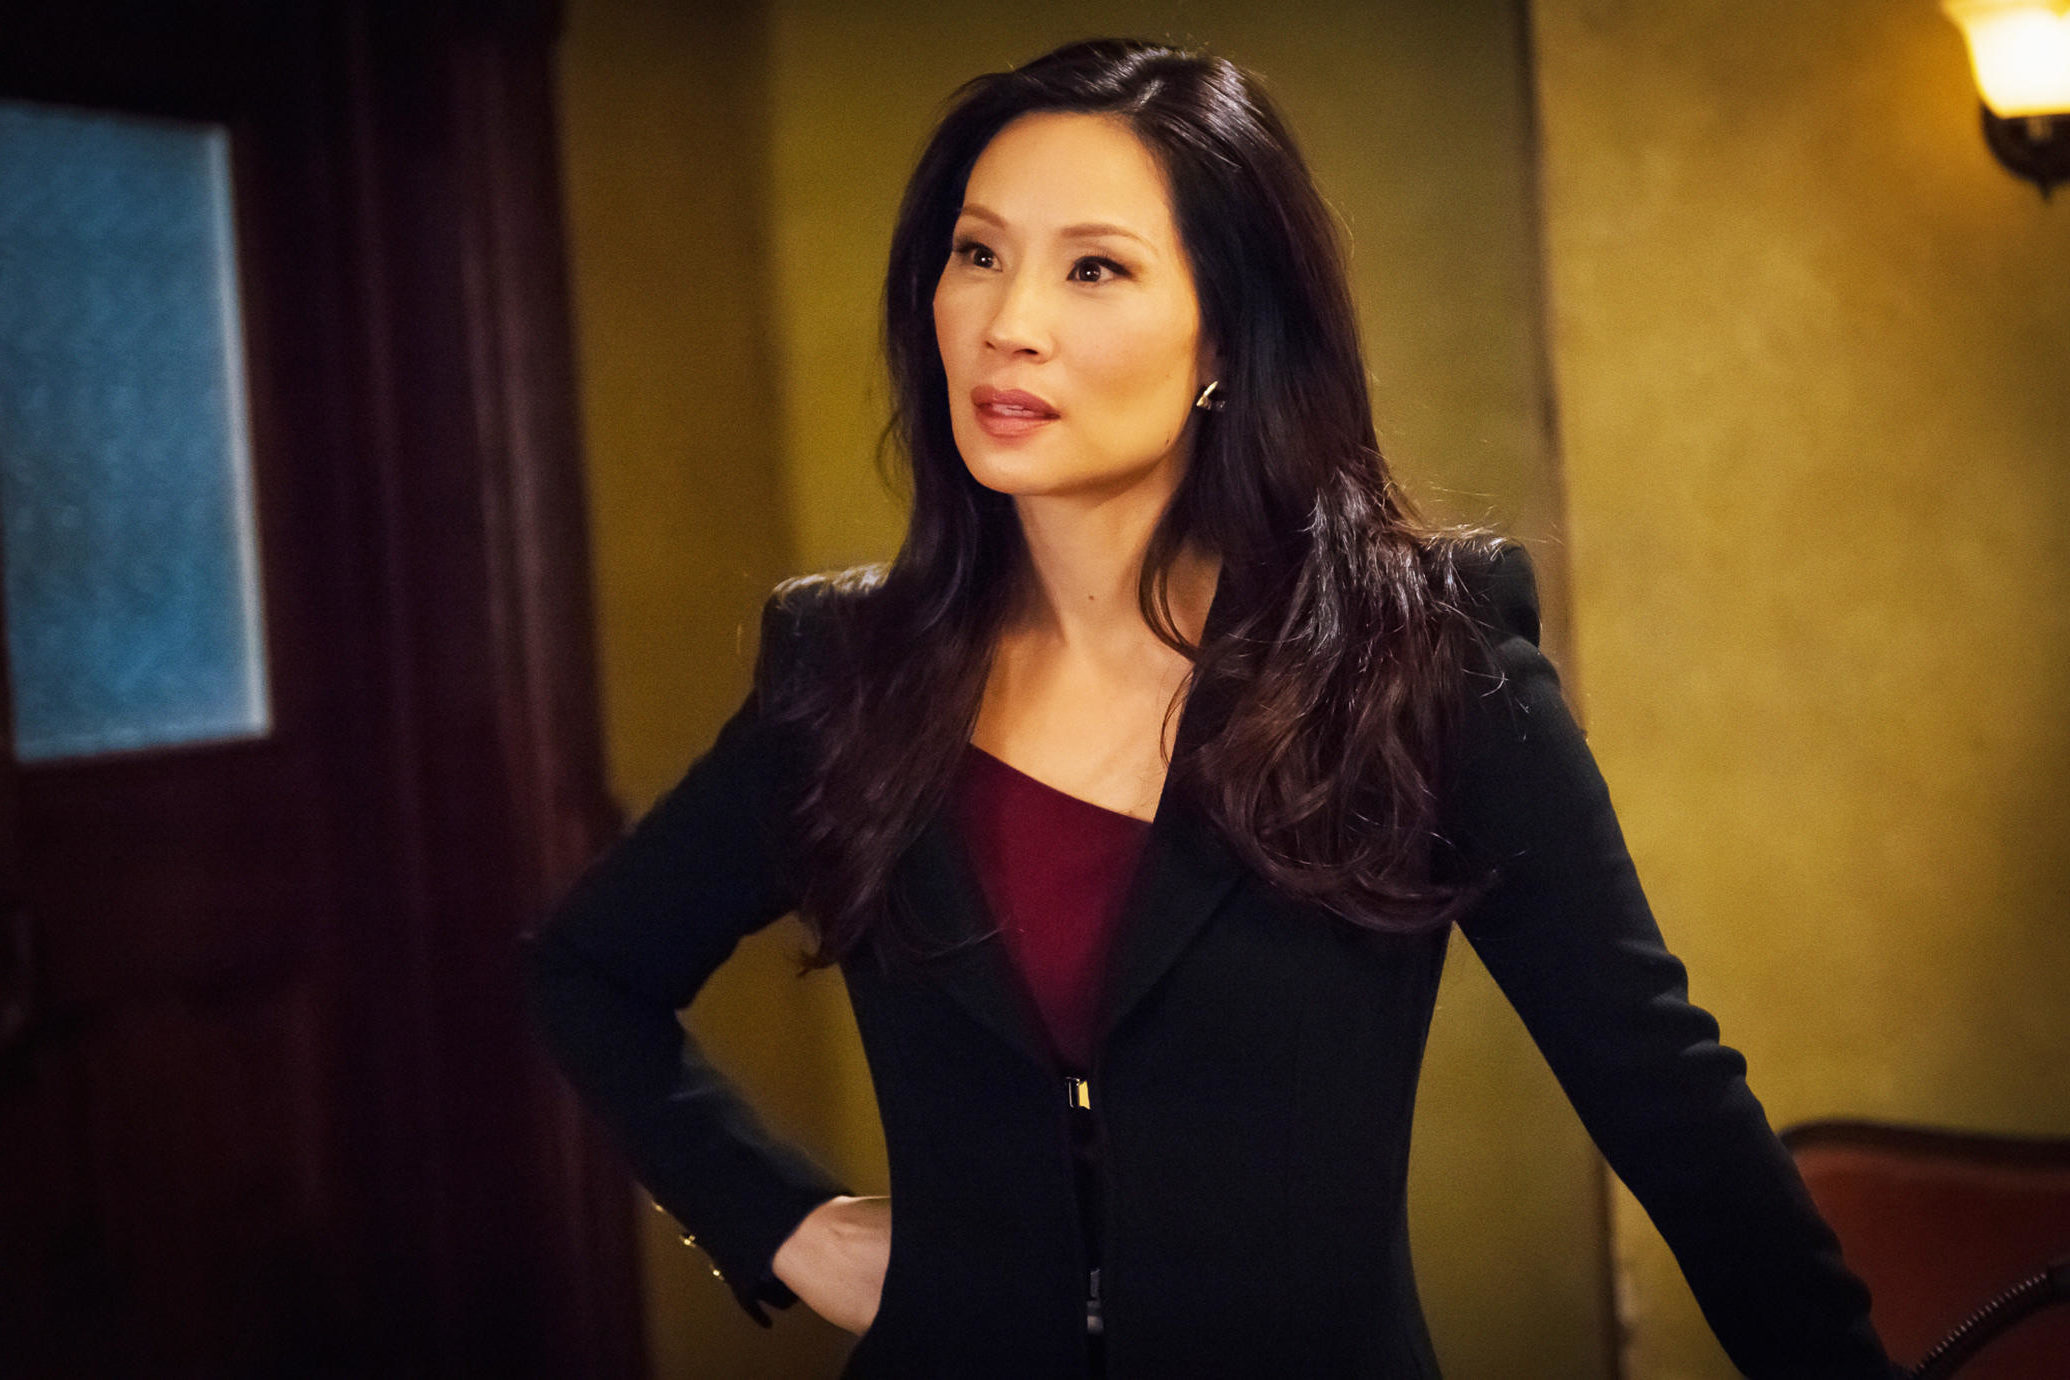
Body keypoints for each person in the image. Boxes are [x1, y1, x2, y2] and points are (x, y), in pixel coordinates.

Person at [523, 38, 1899, 1379]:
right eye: (978, 253)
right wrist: (780, 1225)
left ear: (1226, 337)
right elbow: (586, 970)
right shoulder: (846, 670)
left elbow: (1665, 1098)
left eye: (1095, 268)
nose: (1008, 323)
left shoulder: (1419, 661)